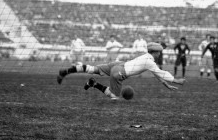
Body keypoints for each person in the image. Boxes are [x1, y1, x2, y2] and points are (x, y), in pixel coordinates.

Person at [57, 42, 185, 100]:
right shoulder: (150, 61)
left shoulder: (146, 58)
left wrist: (166, 84)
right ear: (154, 52)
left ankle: (66, 71)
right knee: (114, 96)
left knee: (92, 69)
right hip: (120, 71)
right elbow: (160, 72)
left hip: (117, 64)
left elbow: (156, 73)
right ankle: (94, 84)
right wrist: (176, 80)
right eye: (159, 52)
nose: (160, 55)